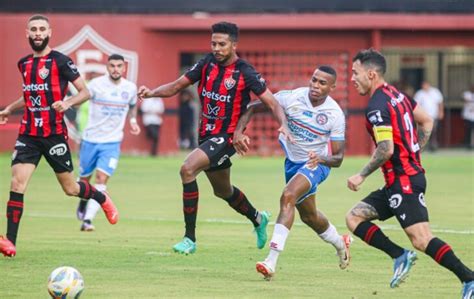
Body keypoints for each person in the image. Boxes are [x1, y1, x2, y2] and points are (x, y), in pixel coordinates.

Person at [138, 21, 291, 254]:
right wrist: (151, 93)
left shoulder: (245, 72)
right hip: (206, 136)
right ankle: (259, 219)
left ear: (234, 45)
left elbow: (272, 102)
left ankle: (189, 239)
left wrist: (284, 126)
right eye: (213, 43)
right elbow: (178, 85)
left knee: (187, 169)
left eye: (222, 44)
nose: (217, 48)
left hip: (227, 137)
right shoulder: (206, 63)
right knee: (223, 191)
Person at [345, 48, 473, 297]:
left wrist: (360, 175)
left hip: (403, 181)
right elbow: (426, 121)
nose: (352, 78)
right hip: (401, 179)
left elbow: (385, 149)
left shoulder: (376, 106)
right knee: (354, 218)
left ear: (371, 74)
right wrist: (414, 153)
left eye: (355, 73)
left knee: (422, 239)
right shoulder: (398, 96)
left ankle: (469, 279)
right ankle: (399, 255)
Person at [0, 15, 118, 257]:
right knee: (17, 183)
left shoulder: (61, 61)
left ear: (49, 32)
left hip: (54, 135)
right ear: (27, 33)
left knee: (71, 188)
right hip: (29, 134)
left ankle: (100, 197)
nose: (37, 33)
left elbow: (84, 92)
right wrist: (10, 110)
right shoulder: (24, 64)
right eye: (33, 29)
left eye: (42, 29)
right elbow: (29, 95)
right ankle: (10, 242)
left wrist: (67, 103)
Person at [233, 65, 352, 280]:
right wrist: (239, 132)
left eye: (322, 83)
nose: (315, 86)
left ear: (332, 87)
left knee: (287, 195)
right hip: (293, 163)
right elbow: (252, 106)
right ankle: (340, 242)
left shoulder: (334, 115)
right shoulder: (292, 98)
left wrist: (321, 158)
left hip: (317, 164)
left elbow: (338, 158)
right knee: (309, 217)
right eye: (314, 80)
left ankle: (271, 260)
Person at [76, 54, 140, 231]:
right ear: (107, 67)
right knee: (84, 180)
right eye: (112, 66)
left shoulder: (130, 88)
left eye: (119, 66)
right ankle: (83, 202)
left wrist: (133, 121)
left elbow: (133, 105)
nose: (116, 69)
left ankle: (88, 219)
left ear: (124, 68)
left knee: (101, 179)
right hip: (90, 139)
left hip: (112, 142)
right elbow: (82, 97)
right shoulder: (96, 85)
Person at [414, 81, 444, 151]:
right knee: (423, 131)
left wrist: (441, 112)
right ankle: (423, 146)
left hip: (433, 115)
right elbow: (416, 104)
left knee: (433, 131)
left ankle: (433, 145)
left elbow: (440, 103)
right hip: (423, 116)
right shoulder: (419, 93)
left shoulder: (435, 92)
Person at [462, 85, 474, 149]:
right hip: (468, 116)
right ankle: (468, 144)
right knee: (468, 130)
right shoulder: (467, 93)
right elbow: (466, 100)